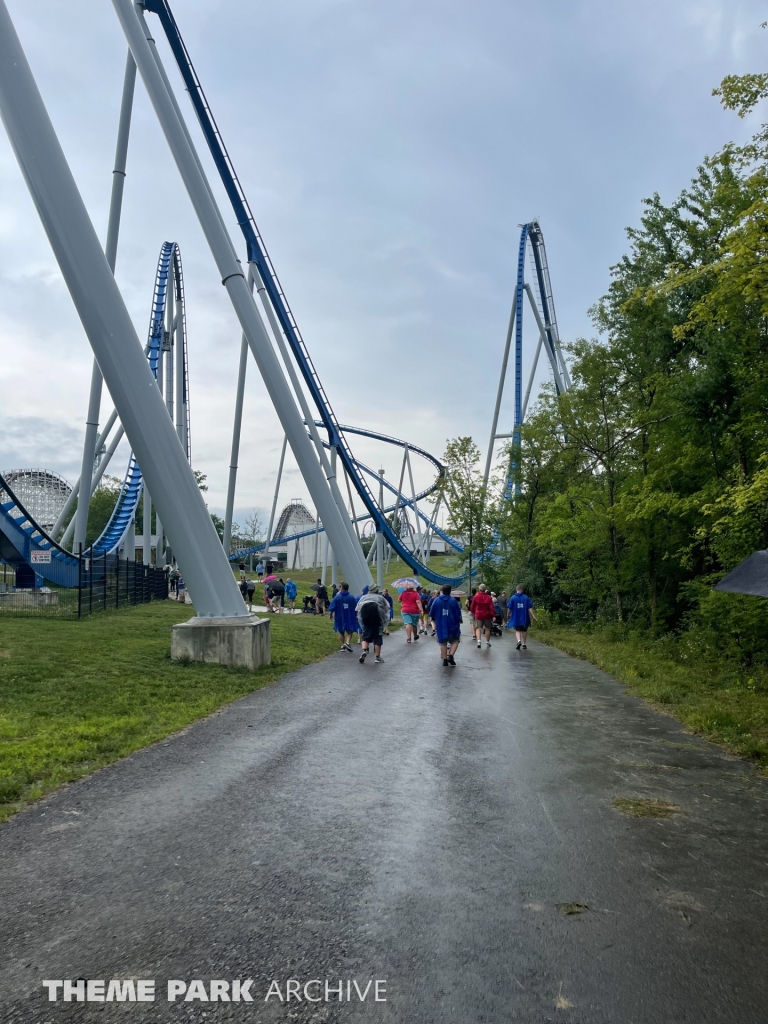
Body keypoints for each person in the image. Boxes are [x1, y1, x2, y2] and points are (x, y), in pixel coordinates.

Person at [355, 584, 390, 664]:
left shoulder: (363, 597)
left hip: (366, 621)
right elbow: (387, 608)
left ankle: (364, 650)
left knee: (365, 638)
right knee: (378, 639)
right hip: (379, 623)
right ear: (376, 590)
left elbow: (357, 609)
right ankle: (377, 657)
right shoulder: (380, 598)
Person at [430, 584, 463, 666]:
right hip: (453, 624)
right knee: (455, 640)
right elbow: (457, 613)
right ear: (450, 591)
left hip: (441, 624)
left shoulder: (437, 600)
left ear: (442, 591)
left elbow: (432, 612)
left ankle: (445, 660)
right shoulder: (453, 601)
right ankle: (451, 655)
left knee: (443, 642)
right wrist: (459, 620)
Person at [328, 582, 358, 652]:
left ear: (341, 588)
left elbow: (332, 606)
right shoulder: (351, 597)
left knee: (341, 631)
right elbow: (356, 607)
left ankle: (342, 646)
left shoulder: (337, 597)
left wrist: (330, 614)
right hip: (350, 616)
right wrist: (356, 615)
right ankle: (347, 642)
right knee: (350, 631)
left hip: (340, 616)